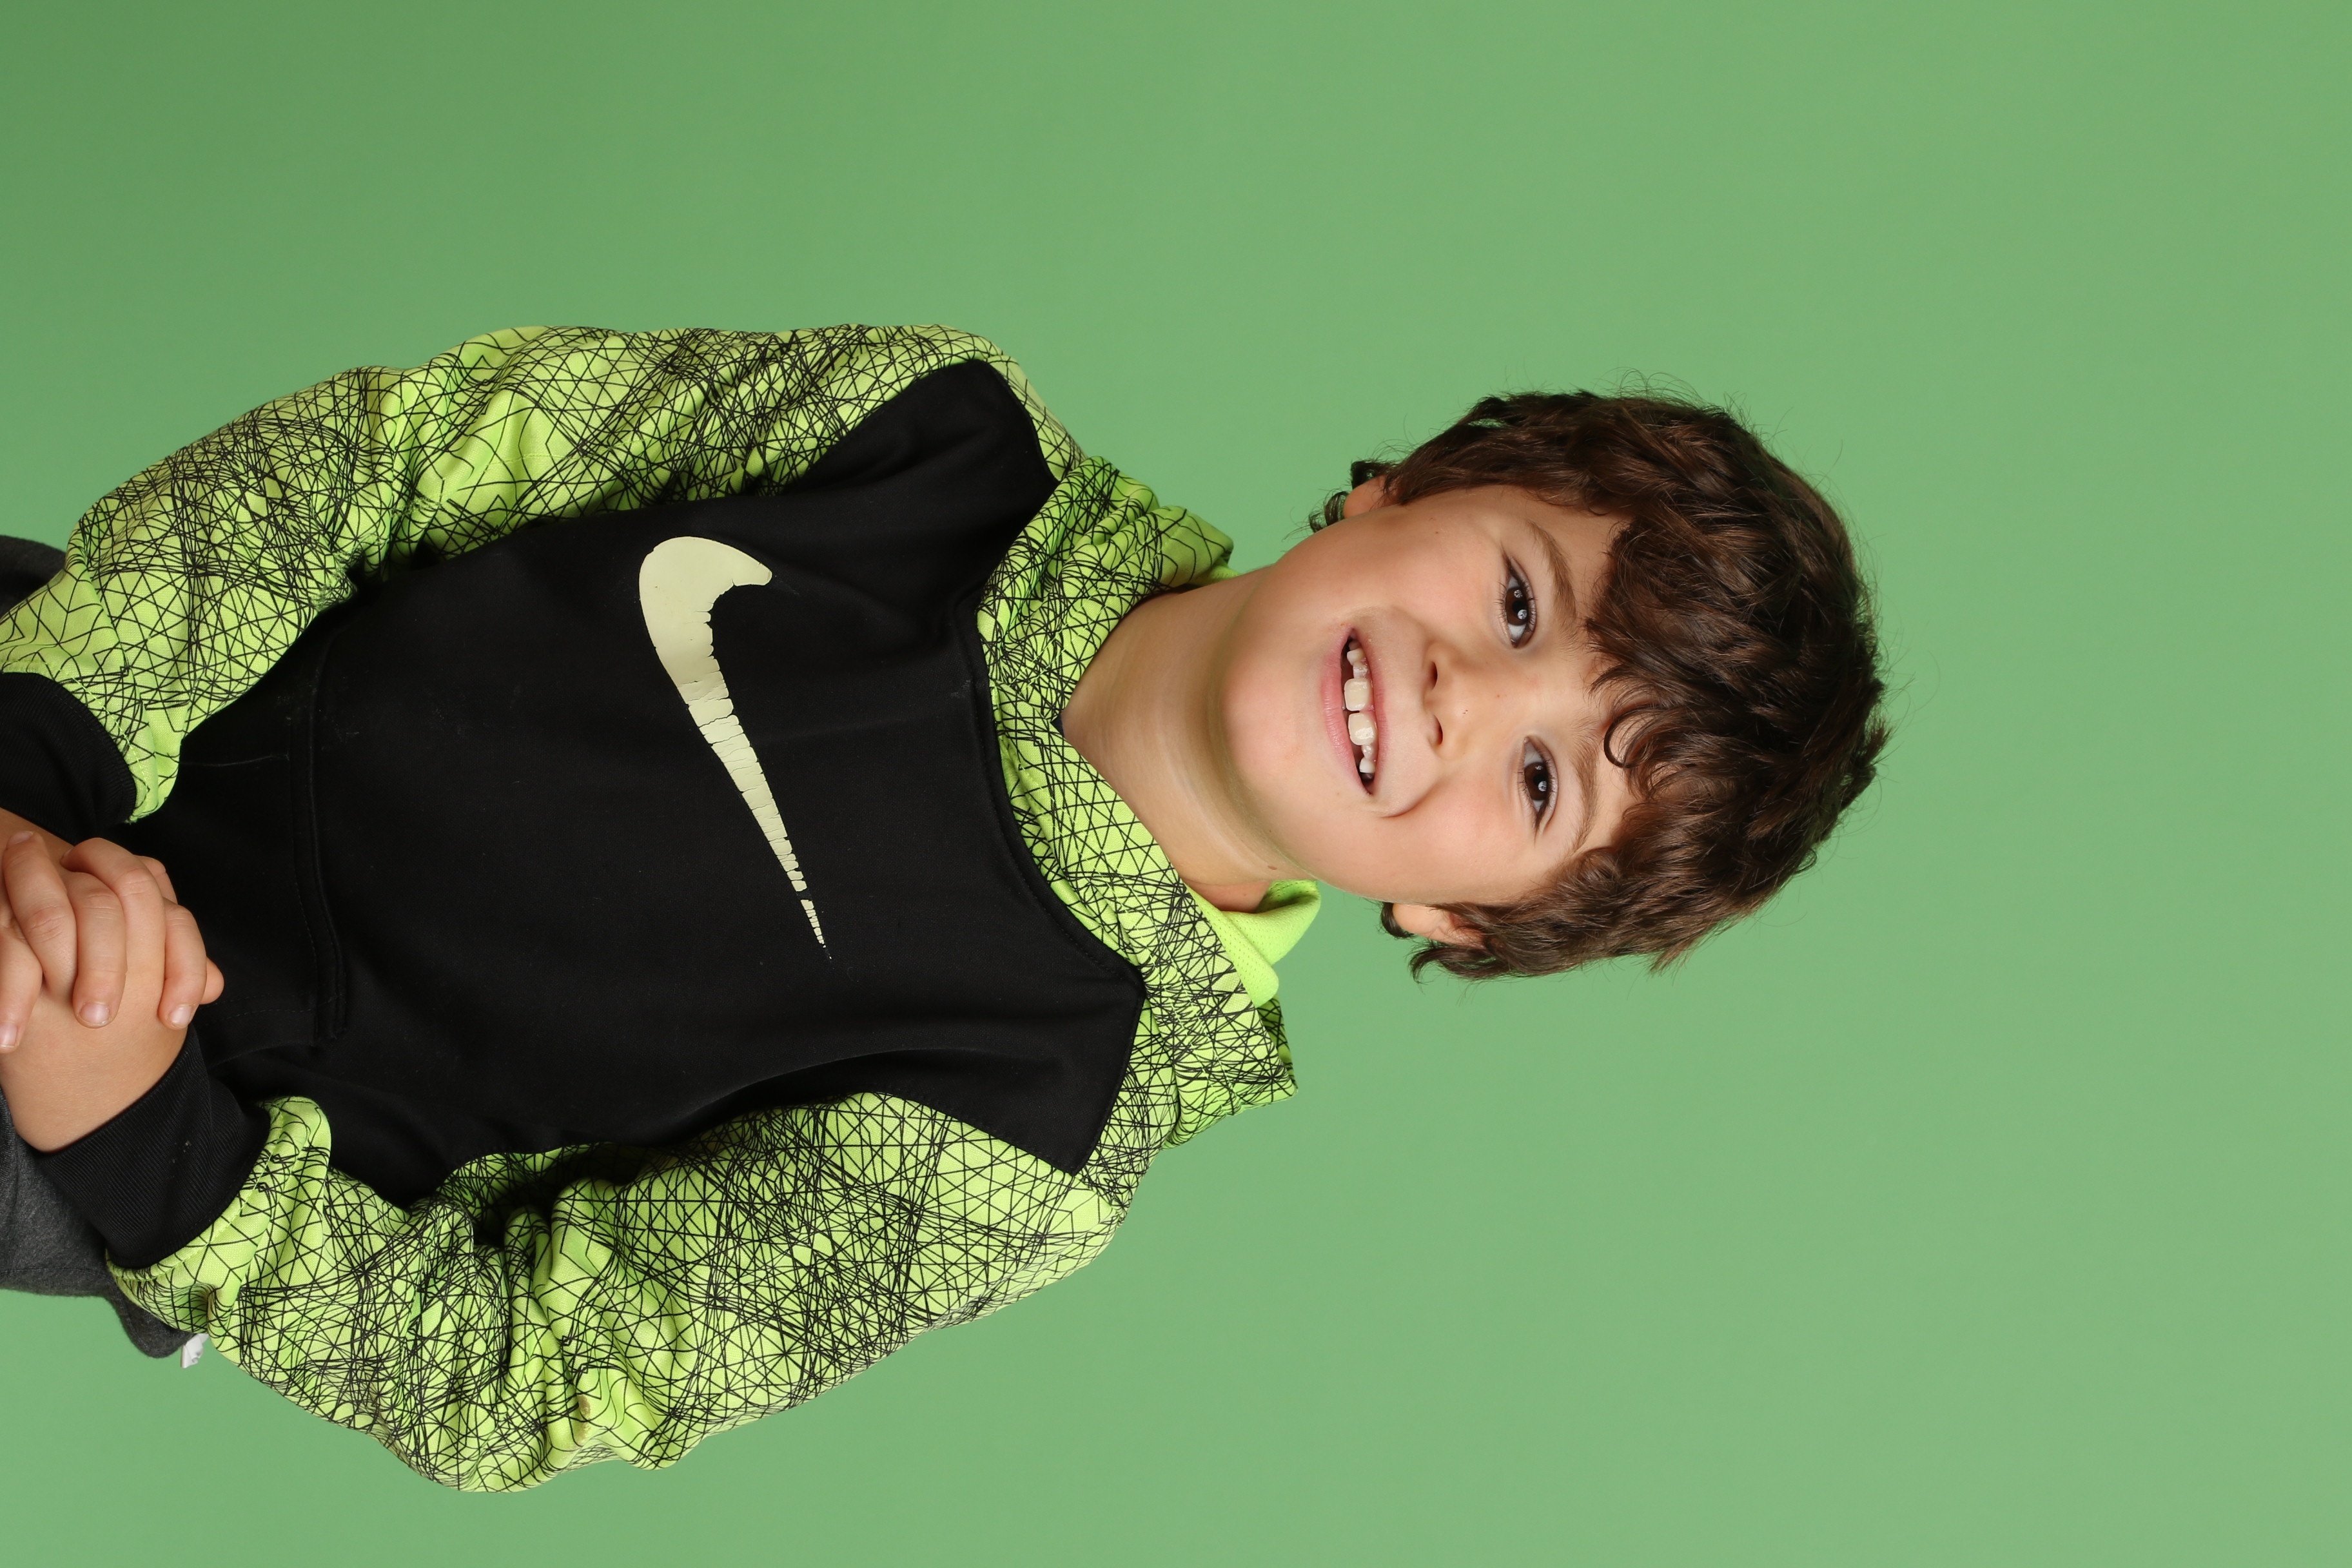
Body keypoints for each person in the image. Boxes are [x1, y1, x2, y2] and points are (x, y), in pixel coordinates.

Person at [0, 324, 1886, 1488]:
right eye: (1520, 599)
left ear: (1466, 925)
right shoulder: (935, 429)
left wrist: (146, 1142)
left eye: (1543, 786)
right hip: (60, 675)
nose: (1472, 698)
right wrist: (40, 760)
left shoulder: (1031, 1124)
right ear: (1411, 486)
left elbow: (542, 1367)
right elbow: (403, 453)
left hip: (116, 1089)